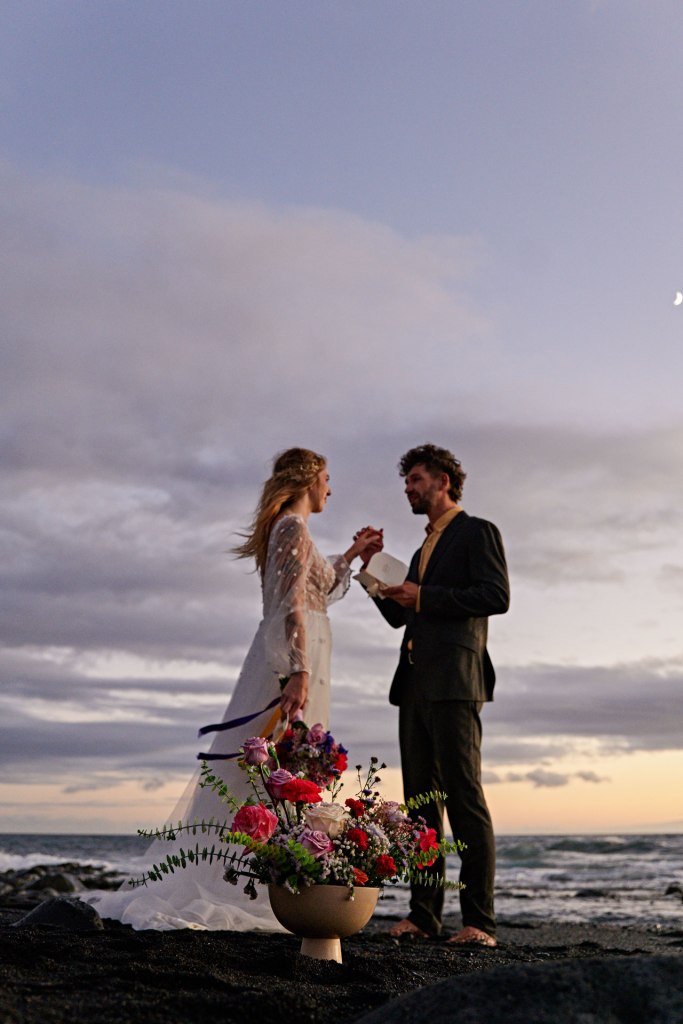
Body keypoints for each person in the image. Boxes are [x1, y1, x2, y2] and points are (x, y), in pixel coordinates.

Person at [86, 448, 381, 931]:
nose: (330, 488)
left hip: (306, 656)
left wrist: (352, 555)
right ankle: (246, 882)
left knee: (287, 770)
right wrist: (299, 672)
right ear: (308, 479)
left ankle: (276, 877)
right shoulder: (291, 528)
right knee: (270, 770)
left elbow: (316, 591)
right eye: (327, 478)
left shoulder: (294, 531)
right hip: (291, 660)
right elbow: (291, 608)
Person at [363, 444, 509, 947]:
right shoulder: (424, 547)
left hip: (456, 683)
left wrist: (422, 595)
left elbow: (496, 596)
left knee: (464, 798)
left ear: (444, 480)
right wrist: (371, 570)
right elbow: (402, 617)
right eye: (407, 482)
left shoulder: (476, 532)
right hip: (413, 686)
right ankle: (424, 917)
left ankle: (479, 923)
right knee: (421, 805)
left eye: (417, 479)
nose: (409, 488)